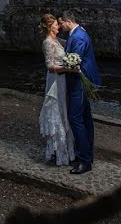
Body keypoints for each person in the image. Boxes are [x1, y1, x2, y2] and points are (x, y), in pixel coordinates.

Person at [57, 13, 101, 174]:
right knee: (85, 118)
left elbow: (75, 60)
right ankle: (86, 155)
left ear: (68, 22)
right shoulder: (76, 33)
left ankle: (84, 161)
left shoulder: (79, 37)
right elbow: (70, 49)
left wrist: (58, 68)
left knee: (76, 119)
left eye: (61, 23)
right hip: (80, 81)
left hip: (80, 82)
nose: (60, 26)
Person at [38, 13, 75, 166]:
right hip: (56, 80)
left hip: (63, 80)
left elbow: (72, 42)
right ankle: (55, 150)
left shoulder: (57, 40)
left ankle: (67, 150)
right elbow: (50, 66)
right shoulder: (48, 42)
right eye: (55, 24)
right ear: (49, 26)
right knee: (56, 112)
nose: (59, 26)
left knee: (64, 112)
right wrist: (67, 68)